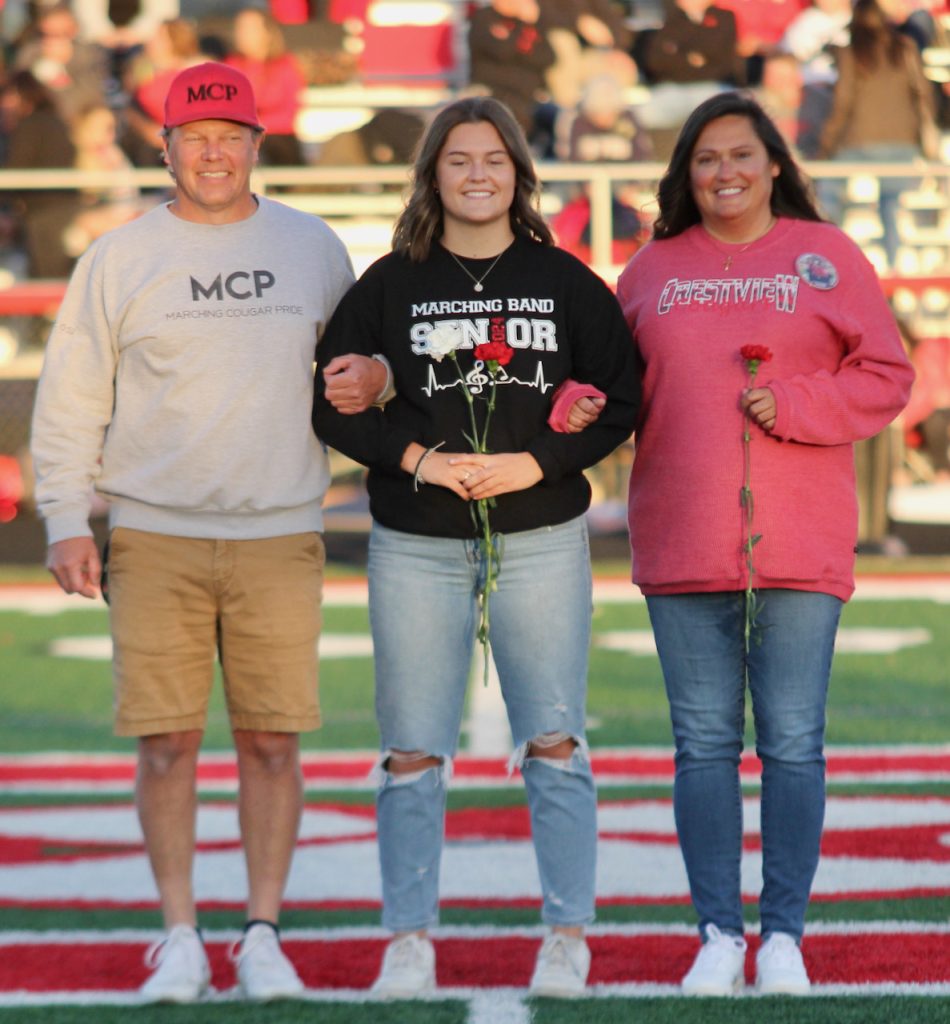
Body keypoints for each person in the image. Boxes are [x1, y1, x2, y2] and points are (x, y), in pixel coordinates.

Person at [30, 61, 388, 1004]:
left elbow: (360, 370)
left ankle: (261, 933)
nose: (215, 153)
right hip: (155, 535)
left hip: (280, 531)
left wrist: (381, 379)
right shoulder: (118, 256)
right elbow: (71, 398)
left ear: (259, 144)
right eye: (197, 138)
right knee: (166, 744)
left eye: (232, 136)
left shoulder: (313, 246)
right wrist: (65, 518)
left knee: (272, 744)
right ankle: (180, 934)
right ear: (167, 148)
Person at [311, 95, 640, 1000]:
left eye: (493, 158)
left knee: (555, 739)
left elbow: (622, 394)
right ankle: (408, 939)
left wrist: (536, 463)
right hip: (417, 543)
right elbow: (328, 405)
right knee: (411, 749)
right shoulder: (390, 283)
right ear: (433, 175)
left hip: (540, 538)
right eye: (458, 160)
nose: (477, 175)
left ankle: (567, 935)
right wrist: (420, 459)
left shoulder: (564, 279)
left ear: (518, 173)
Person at [613, 91, 913, 995]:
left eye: (741, 154)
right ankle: (717, 933)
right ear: (686, 173)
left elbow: (886, 373)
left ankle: (783, 936)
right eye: (705, 158)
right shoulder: (650, 269)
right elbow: (613, 386)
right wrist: (574, 407)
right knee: (703, 744)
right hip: (683, 536)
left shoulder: (826, 256)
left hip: (798, 541)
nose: (725, 173)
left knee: (792, 742)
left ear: (774, 162)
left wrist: (796, 404)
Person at [818, 0, 939, 270]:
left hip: (857, 142)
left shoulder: (851, 52)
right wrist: (922, 139)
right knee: (892, 208)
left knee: (830, 195)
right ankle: (897, 270)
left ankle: (828, 258)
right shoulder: (905, 47)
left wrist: (826, 145)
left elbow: (842, 103)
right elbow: (923, 94)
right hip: (902, 142)